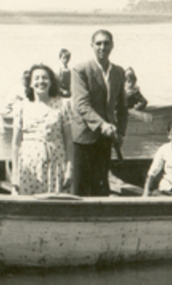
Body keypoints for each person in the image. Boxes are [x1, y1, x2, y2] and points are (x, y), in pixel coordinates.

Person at [71, 29, 128, 196]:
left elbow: (123, 106)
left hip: (106, 139)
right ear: (92, 46)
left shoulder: (119, 72)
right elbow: (82, 105)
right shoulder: (80, 70)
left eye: (106, 43)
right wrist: (102, 124)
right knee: (81, 186)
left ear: (112, 46)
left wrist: (122, 132)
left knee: (101, 186)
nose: (102, 47)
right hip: (83, 137)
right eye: (98, 43)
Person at [11, 64, 73, 195]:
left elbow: (69, 141)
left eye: (45, 78)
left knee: (55, 208)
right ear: (30, 83)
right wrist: (15, 174)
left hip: (55, 165)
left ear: (51, 82)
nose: (41, 82)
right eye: (36, 78)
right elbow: (16, 143)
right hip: (28, 167)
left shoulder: (62, 105)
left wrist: (69, 169)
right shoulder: (21, 107)